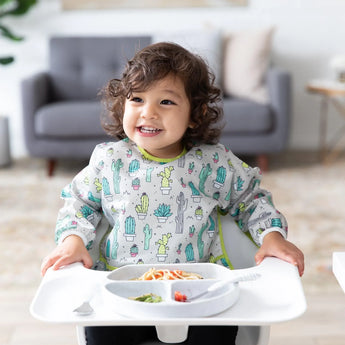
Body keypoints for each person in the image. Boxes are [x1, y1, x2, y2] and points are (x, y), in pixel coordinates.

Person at [41, 42, 304, 345]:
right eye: (137, 99)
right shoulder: (108, 160)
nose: (148, 112)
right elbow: (79, 204)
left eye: (166, 102)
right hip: (123, 284)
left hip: (201, 287)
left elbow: (251, 199)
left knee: (219, 328)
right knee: (102, 329)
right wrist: (73, 241)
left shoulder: (213, 161)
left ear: (195, 113)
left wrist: (272, 237)